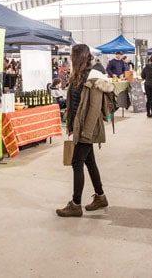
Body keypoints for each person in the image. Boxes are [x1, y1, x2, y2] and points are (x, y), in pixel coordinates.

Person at [56, 45, 112, 217]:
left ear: (79, 57)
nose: (70, 58)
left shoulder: (94, 77)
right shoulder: (78, 76)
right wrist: (72, 125)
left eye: (73, 56)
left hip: (89, 128)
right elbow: (74, 102)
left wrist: (85, 133)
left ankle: (76, 204)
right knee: (89, 161)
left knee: (76, 162)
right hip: (81, 127)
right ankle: (100, 197)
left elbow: (94, 108)